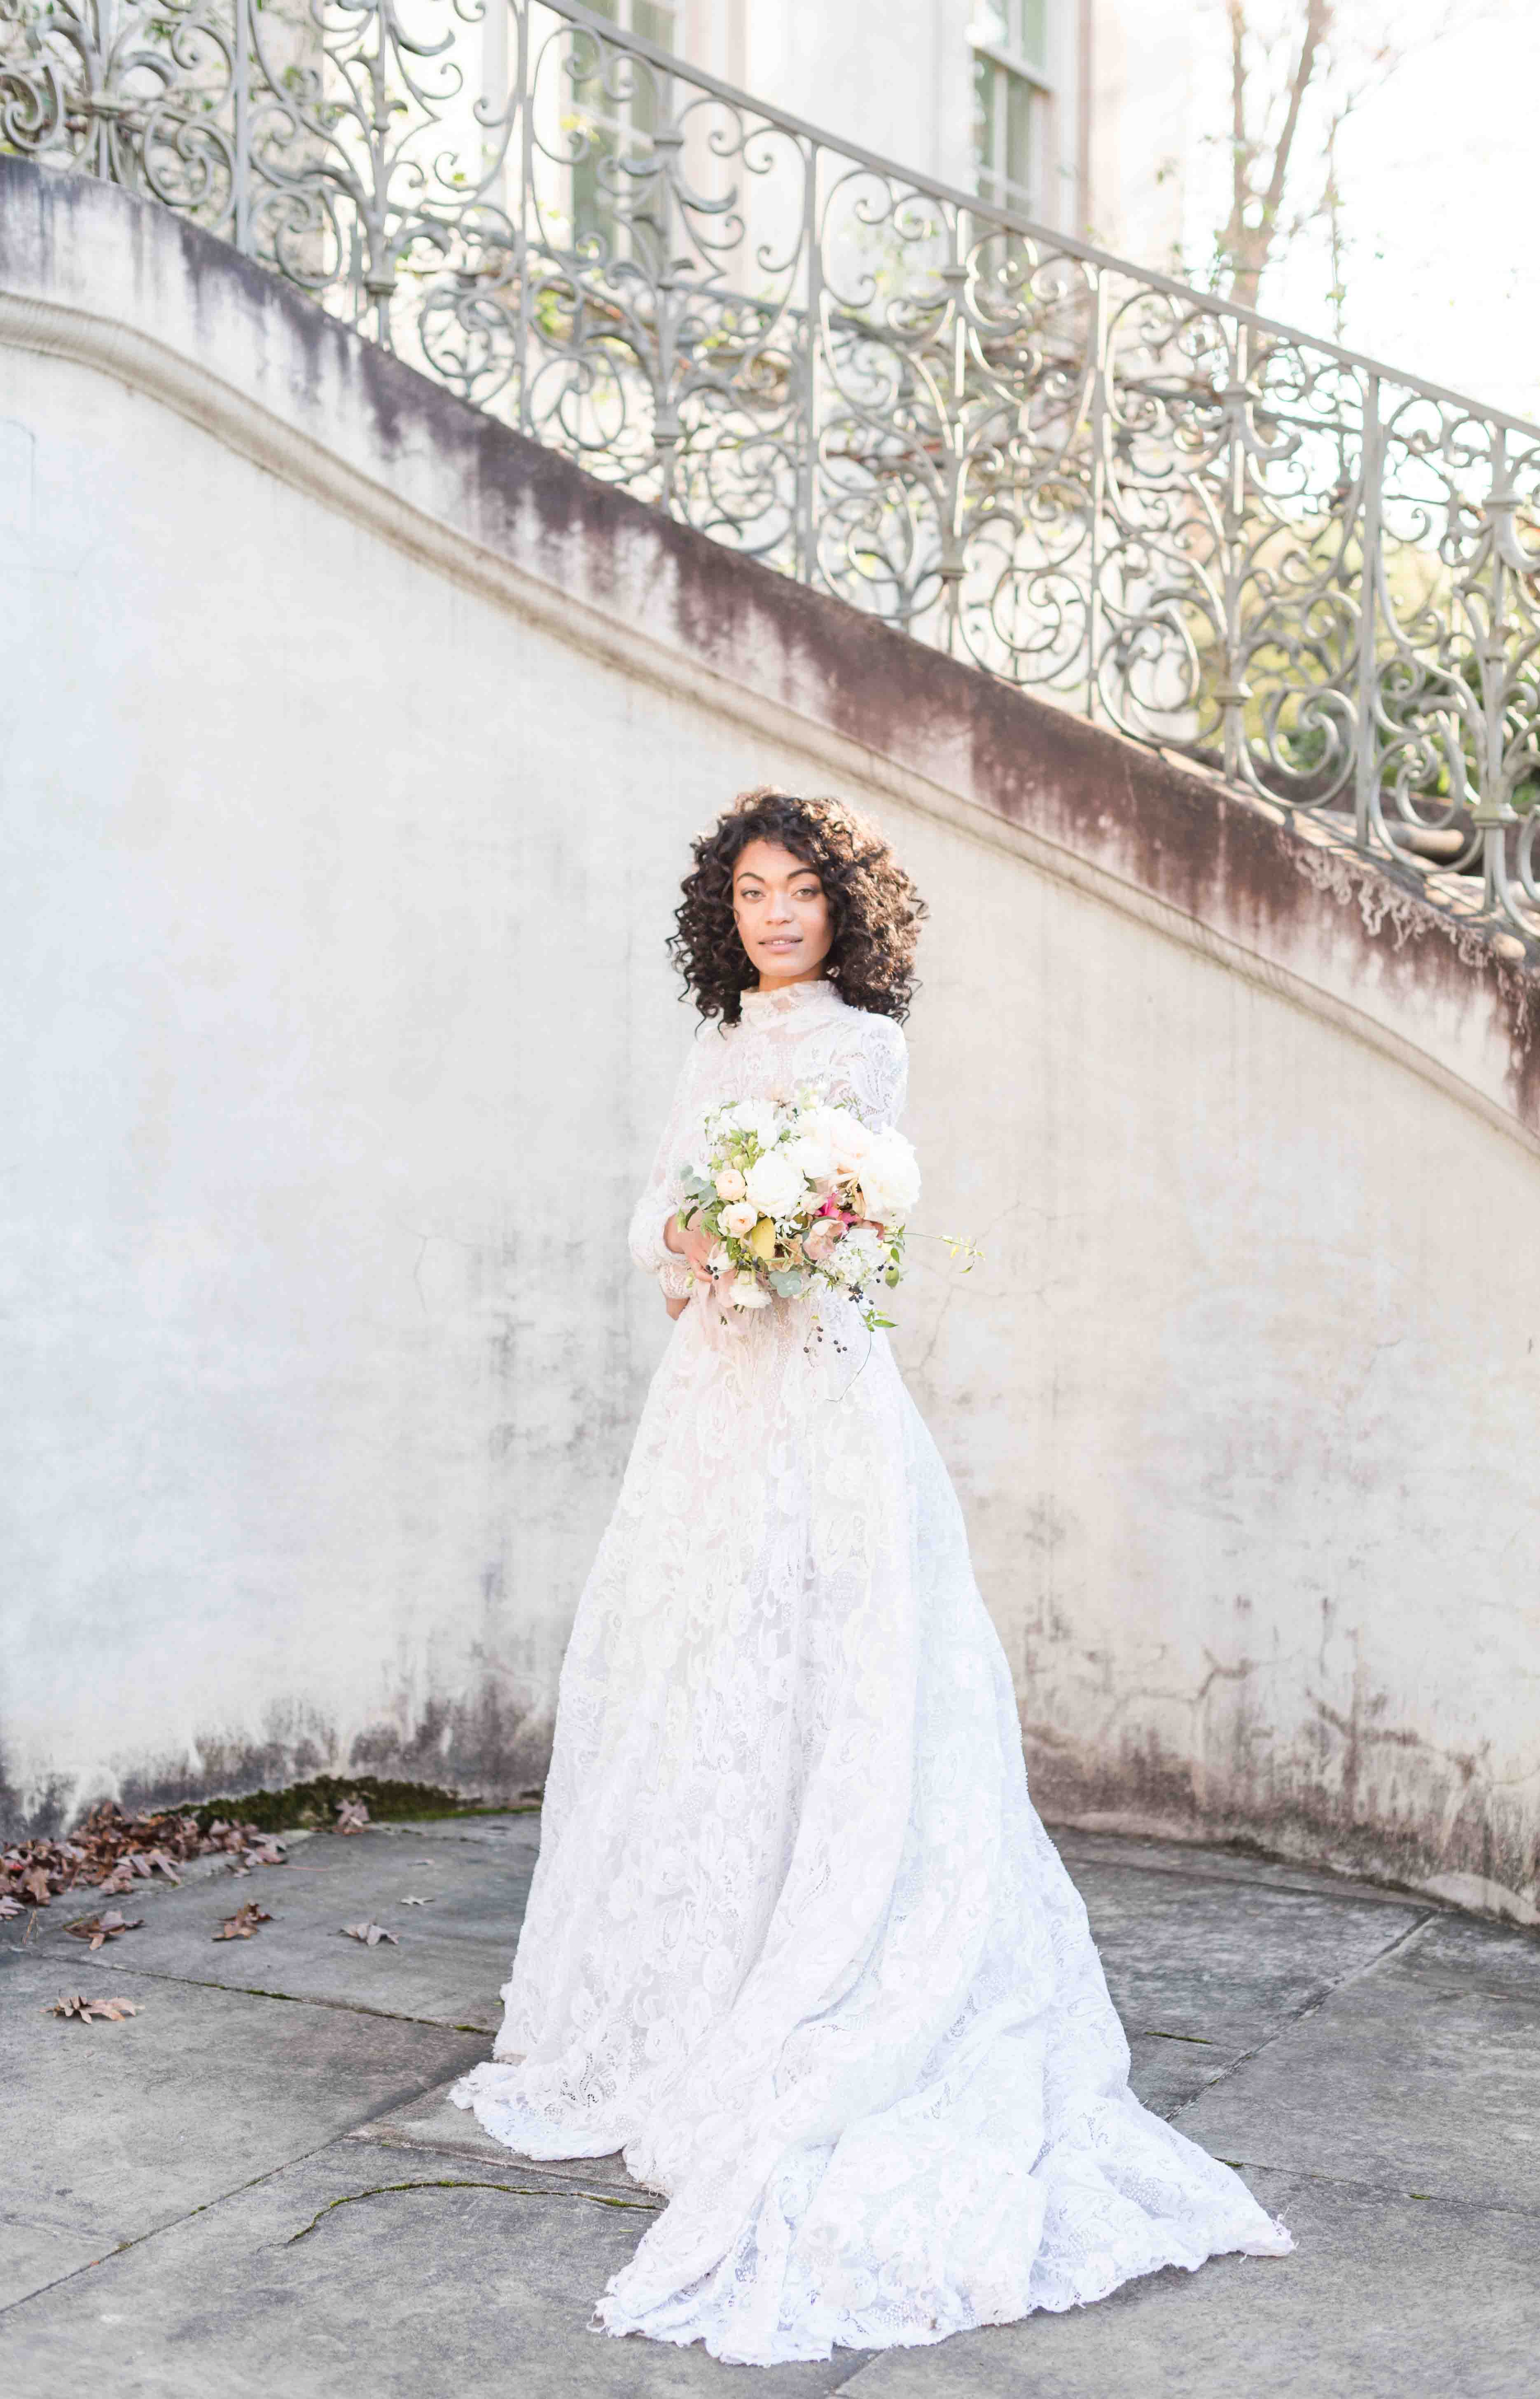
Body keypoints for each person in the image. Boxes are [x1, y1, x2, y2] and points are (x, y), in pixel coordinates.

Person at [453, 787, 1291, 2364]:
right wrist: (698, 1246)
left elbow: (865, 1208)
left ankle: (821, 1966)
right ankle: (681, 1988)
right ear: (726, 911)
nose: (778, 915)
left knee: (830, 1653)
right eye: (754, 892)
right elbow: (659, 1202)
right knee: (701, 1663)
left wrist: (789, 1238)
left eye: (803, 892)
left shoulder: (864, 1047)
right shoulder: (716, 1048)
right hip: (710, 1390)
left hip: (821, 1388)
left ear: (845, 911)